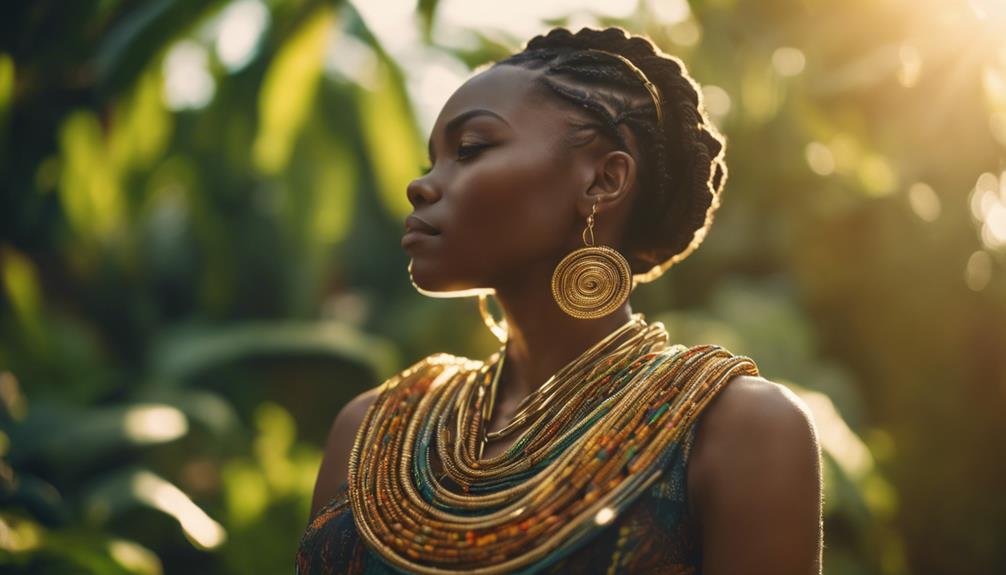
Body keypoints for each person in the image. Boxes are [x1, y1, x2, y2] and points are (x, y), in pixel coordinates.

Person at [297, 26, 822, 575]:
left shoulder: (736, 429)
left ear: (603, 180)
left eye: (470, 149)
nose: (422, 186)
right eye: (433, 162)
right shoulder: (371, 432)